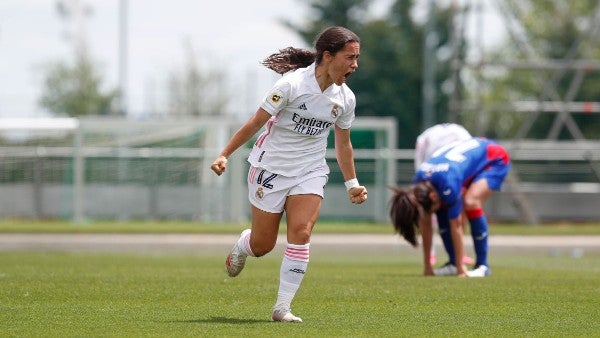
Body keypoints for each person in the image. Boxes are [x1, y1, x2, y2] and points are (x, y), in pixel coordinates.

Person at [210, 26, 368, 322]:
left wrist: (352, 184)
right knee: (263, 245)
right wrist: (224, 154)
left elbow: (343, 143)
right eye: (350, 57)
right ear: (328, 56)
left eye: (357, 58)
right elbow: (256, 122)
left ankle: (282, 308)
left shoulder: (345, 99)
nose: (355, 65)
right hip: (270, 168)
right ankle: (245, 244)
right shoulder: (291, 85)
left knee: (301, 232)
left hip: (310, 170)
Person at [390, 137, 510, 277]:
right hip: (469, 160)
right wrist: (427, 267)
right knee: (442, 208)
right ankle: (453, 263)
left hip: (494, 157)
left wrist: (461, 269)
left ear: (433, 197)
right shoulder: (420, 182)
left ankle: (482, 265)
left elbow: (457, 225)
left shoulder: (448, 183)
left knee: (471, 202)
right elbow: (426, 224)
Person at [414, 123, 474, 267]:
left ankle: (459, 253)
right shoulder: (426, 138)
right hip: (431, 168)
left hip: (453, 173)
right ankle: (430, 254)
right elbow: (420, 164)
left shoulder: (462, 135)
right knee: (427, 210)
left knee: (459, 209)